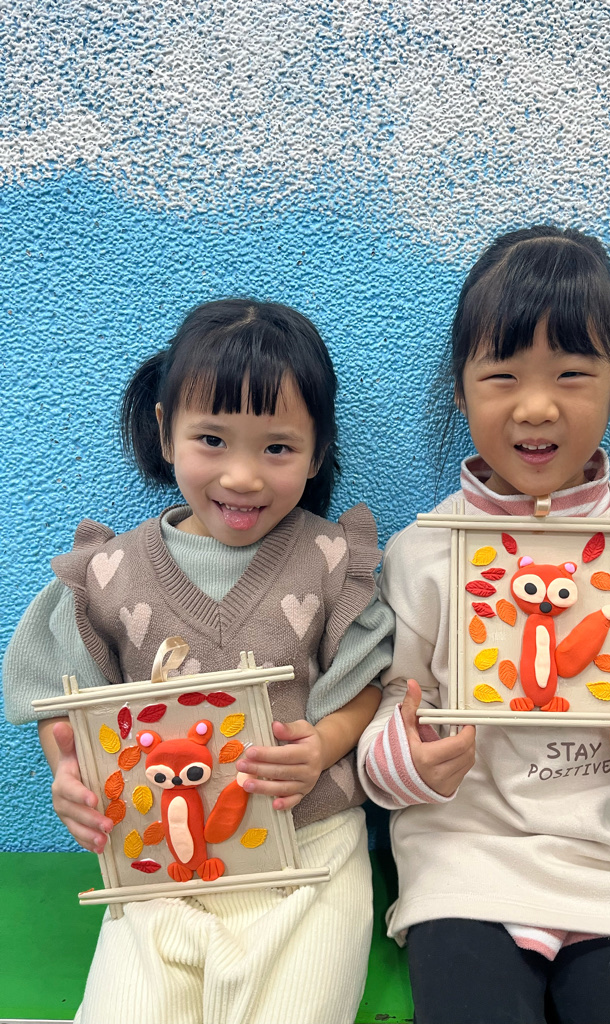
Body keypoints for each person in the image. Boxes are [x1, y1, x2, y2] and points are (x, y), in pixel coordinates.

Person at [358, 226, 610, 1024]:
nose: (535, 406)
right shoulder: (424, 552)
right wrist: (410, 761)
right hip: (464, 869)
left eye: (572, 374)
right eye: (501, 375)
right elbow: (390, 699)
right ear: (460, 390)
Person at [3, 298, 394, 1024]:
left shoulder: (333, 562)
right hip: (154, 864)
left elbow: (367, 685)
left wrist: (324, 745)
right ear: (165, 430)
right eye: (211, 439)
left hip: (307, 854)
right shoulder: (110, 573)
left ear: (317, 450)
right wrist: (69, 776)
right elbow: (66, 708)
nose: (242, 477)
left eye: (277, 448)